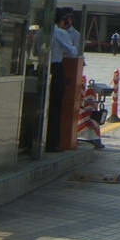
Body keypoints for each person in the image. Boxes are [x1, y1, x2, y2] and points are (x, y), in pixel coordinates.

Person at [46, 15, 79, 152]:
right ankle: (52, 142)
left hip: (43, 68)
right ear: (61, 21)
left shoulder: (41, 32)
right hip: (56, 68)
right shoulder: (60, 33)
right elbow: (72, 52)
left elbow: (35, 52)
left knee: (42, 106)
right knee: (55, 107)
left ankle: (38, 139)